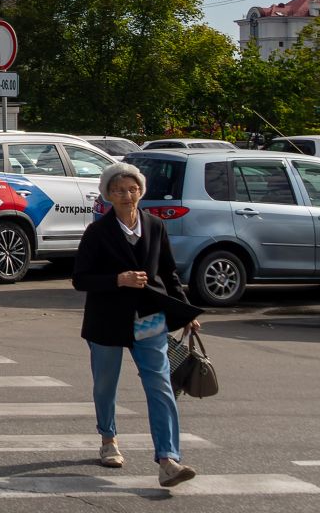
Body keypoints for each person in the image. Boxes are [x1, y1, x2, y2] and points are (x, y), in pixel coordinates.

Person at [73, 161, 201, 488]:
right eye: (119, 191)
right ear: (108, 195)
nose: (127, 195)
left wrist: (187, 314)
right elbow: (81, 279)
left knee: (159, 386)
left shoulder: (155, 226)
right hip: (108, 322)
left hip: (149, 320)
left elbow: (169, 274)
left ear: (141, 191)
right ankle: (108, 439)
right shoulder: (97, 232)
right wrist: (118, 279)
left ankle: (168, 459)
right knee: (106, 384)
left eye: (132, 189)